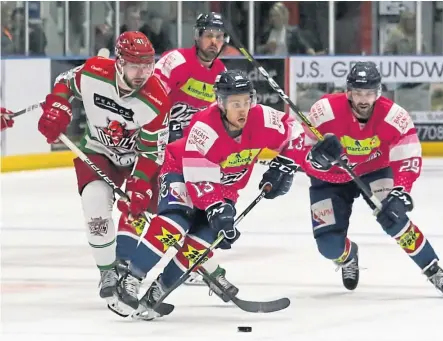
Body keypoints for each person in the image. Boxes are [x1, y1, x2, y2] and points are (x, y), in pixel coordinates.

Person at [114, 70, 305, 319]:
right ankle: (131, 278)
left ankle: (159, 290)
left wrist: (286, 165)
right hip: (182, 172)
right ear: (221, 102)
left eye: (247, 101)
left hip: (225, 188)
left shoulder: (262, 118)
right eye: (236, 103)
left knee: (202, 242)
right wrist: (217, 210)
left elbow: (297, 131)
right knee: (174, 225)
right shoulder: (204, 127)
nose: (243, 109)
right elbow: (198, 178)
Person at [298, 61, 443, 294]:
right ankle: (348, 256)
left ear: (378, 92)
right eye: (358, 93)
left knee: (394, 216)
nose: (364, 99)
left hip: (374, 170)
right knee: (329, 247)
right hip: (329, 178)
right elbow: (298, 146)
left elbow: (409, 155)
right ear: (348, 92)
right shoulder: (324, 111)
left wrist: (401, 191)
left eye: (369, 93)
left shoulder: (394, 116)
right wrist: (314, 159)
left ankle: (433, 269)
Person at [36, 31, 171, 307]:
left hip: (136, 158)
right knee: (95, 208)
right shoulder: (95, 71)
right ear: (119, 62)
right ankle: (107, 272)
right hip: (99, 152)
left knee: (138, 208)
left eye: (147, 66)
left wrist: (140, 184)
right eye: (135, 65)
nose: (142, 73)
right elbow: (65, 81)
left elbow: (150, 151)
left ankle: (125, 264)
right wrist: (59, 105)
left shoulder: (157, 100)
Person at [115, 12, 232, 297]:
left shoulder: (222, 75)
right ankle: (122, 265)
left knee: (191, 212)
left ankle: (201, 266)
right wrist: (165, 131)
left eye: (219, 37)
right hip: (158, 145)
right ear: (197, 36)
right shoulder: (175, 62)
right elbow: (150, 96)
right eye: (208, 36)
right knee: (145, 201)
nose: (214, 42)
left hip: (191, 156)